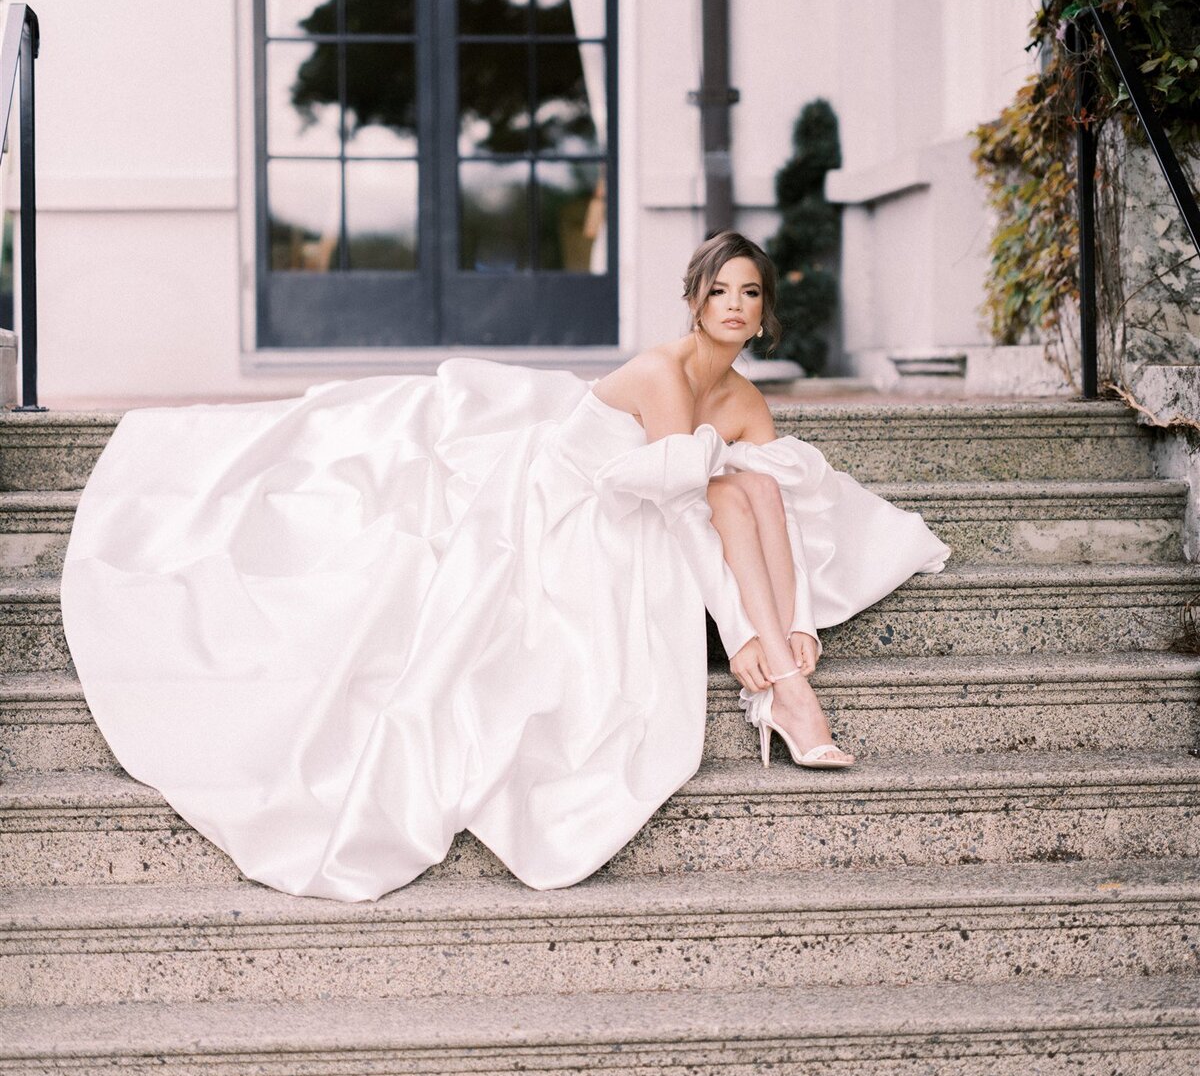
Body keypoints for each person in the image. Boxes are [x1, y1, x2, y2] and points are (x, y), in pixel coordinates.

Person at [59, 230, 949, 903]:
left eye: (750, 294)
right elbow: (679, 496)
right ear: (694, 301)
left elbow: (768, 504)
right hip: (559, 494)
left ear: (763, 310)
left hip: (657, 497)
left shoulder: (745, 397)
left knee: (748, 487)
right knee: (720, 485)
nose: (735, 307)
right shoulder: (665, 374)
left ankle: (787, 685)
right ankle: (785, 695)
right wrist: (738, 628)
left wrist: (788, 624)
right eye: (720, 291)